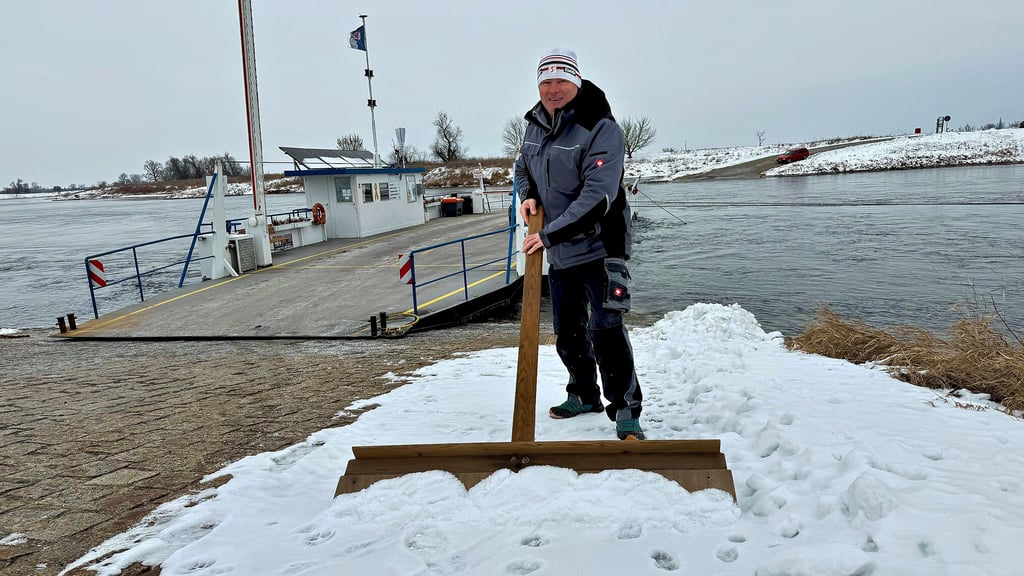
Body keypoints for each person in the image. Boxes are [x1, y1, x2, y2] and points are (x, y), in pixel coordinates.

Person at [514, 48, 644, 440]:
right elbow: (523, 166)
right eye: (546, 82)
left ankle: (625, 409)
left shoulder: (601, 127)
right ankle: (583, 394)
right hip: (559, 249)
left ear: (577, 82)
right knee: (568, 331)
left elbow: (597, 200)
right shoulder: (535, 124)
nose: (553, 89)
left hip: (602, 248)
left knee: (607, 329)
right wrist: (526, 194)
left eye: (561, 81)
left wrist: (547, 234)